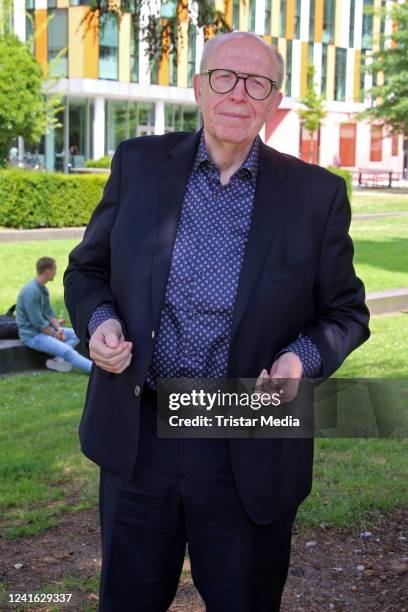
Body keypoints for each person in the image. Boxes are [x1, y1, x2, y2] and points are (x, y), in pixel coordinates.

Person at [64, 32, 370, 611]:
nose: (239, 93)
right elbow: (86, 272)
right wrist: (99, 320)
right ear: (199, 88)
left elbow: (346, 311)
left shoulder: (316, 195)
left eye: (258, 83)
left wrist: (298, 360)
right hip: (142, 431)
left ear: (274, 101)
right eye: (225, 77)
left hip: (251, 430)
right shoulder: (139, 164)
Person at [16, 257, 92, 374]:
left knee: (78, 334)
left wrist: (58, 329)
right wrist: (54, 334)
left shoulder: (42, 289)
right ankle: (97, 373)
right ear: (47, 271)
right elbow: (38, 322)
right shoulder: (30, 292)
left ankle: (57, 361)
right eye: (54, 270)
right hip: (33, 336)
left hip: (45, 330)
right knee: (67, 351)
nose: (56, 272)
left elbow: (49, 312)